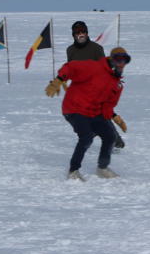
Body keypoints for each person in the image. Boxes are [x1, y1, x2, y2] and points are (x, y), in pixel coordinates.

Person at [46, 46, 130, 181]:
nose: (121, 64)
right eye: (118, 59)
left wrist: (115, 118)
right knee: (86, 137)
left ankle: (102, 168)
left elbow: (107, 105)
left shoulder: (117, 83)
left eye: (125, 61)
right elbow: (71, 67)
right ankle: (73, 171)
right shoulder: (94, 67)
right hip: (74, 108)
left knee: (110, 136)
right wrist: (59, 80)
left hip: (94, 112)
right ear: (111, 59)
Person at [66, 21, 126, 149]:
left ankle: (116, 141)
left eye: (83, 32)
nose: (81, 34)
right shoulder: (70, 50)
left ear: (87, 33)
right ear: (74, 35)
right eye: (78, 32)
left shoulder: (96, 49)